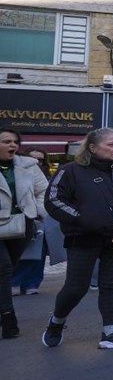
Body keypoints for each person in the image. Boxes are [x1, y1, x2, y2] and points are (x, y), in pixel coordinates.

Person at [42, 128, 113, 349]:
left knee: (112, 285)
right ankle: (56, 322)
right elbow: (53, 200)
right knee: (76, 287)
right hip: (83, 238)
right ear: (92, 148)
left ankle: (110, 333)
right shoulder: (70, 171)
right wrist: (83, 219)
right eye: (111, 144)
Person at [0, 129, 49, 338]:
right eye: (6, 141)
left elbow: (43, 191)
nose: (12, 145)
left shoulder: (28, 165)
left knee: (6, 271)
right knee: (4, 268)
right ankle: (8, 317)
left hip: (22, 226)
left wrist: (36, 211)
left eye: (15, 142)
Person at [10, 147, 51, 296]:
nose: (37, 162)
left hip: (41, 219)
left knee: (38, 254)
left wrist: (40, 210)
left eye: (40, 159)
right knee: (22, 253)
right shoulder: (19, 171)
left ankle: (32, 283)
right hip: (20, 216)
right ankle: (15, 282)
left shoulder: (47, 176)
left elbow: (44, 193)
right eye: (34, 158)